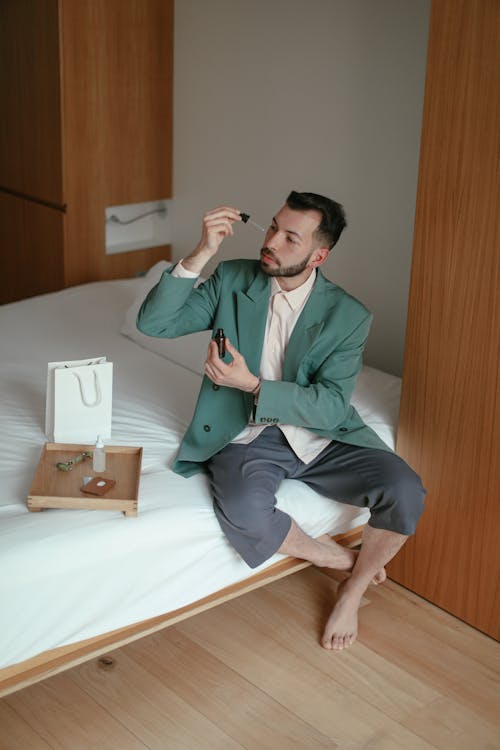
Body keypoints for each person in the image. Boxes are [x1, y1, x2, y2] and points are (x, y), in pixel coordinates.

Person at [137, 191, 425, 650]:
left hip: (321, 435)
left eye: (291, 238)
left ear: (319, 255)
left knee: (406, 488)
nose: (271, 241)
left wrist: (253, 385)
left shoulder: (348, 315)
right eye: (272, 227)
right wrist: (202, 251)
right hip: (246, 431)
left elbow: (331, 406)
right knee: (244, 511)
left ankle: (351, 594)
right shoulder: (233, 278)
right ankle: (342, 561)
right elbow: (155, 324)